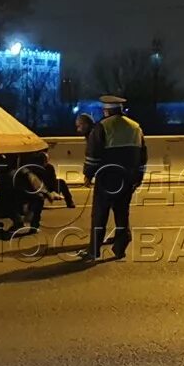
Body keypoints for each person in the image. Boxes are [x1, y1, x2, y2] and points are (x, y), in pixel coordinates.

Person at [75, 94, 147, 262]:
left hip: (107, 178)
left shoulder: (102, 127)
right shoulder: (136, 127)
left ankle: (94, 251)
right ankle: (120, 247)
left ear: (106, 111)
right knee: (122, 213)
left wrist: (88, 174)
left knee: (100, 214)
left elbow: (93, 154)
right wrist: (139, 176)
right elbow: (143, 154)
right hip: (128, 178)